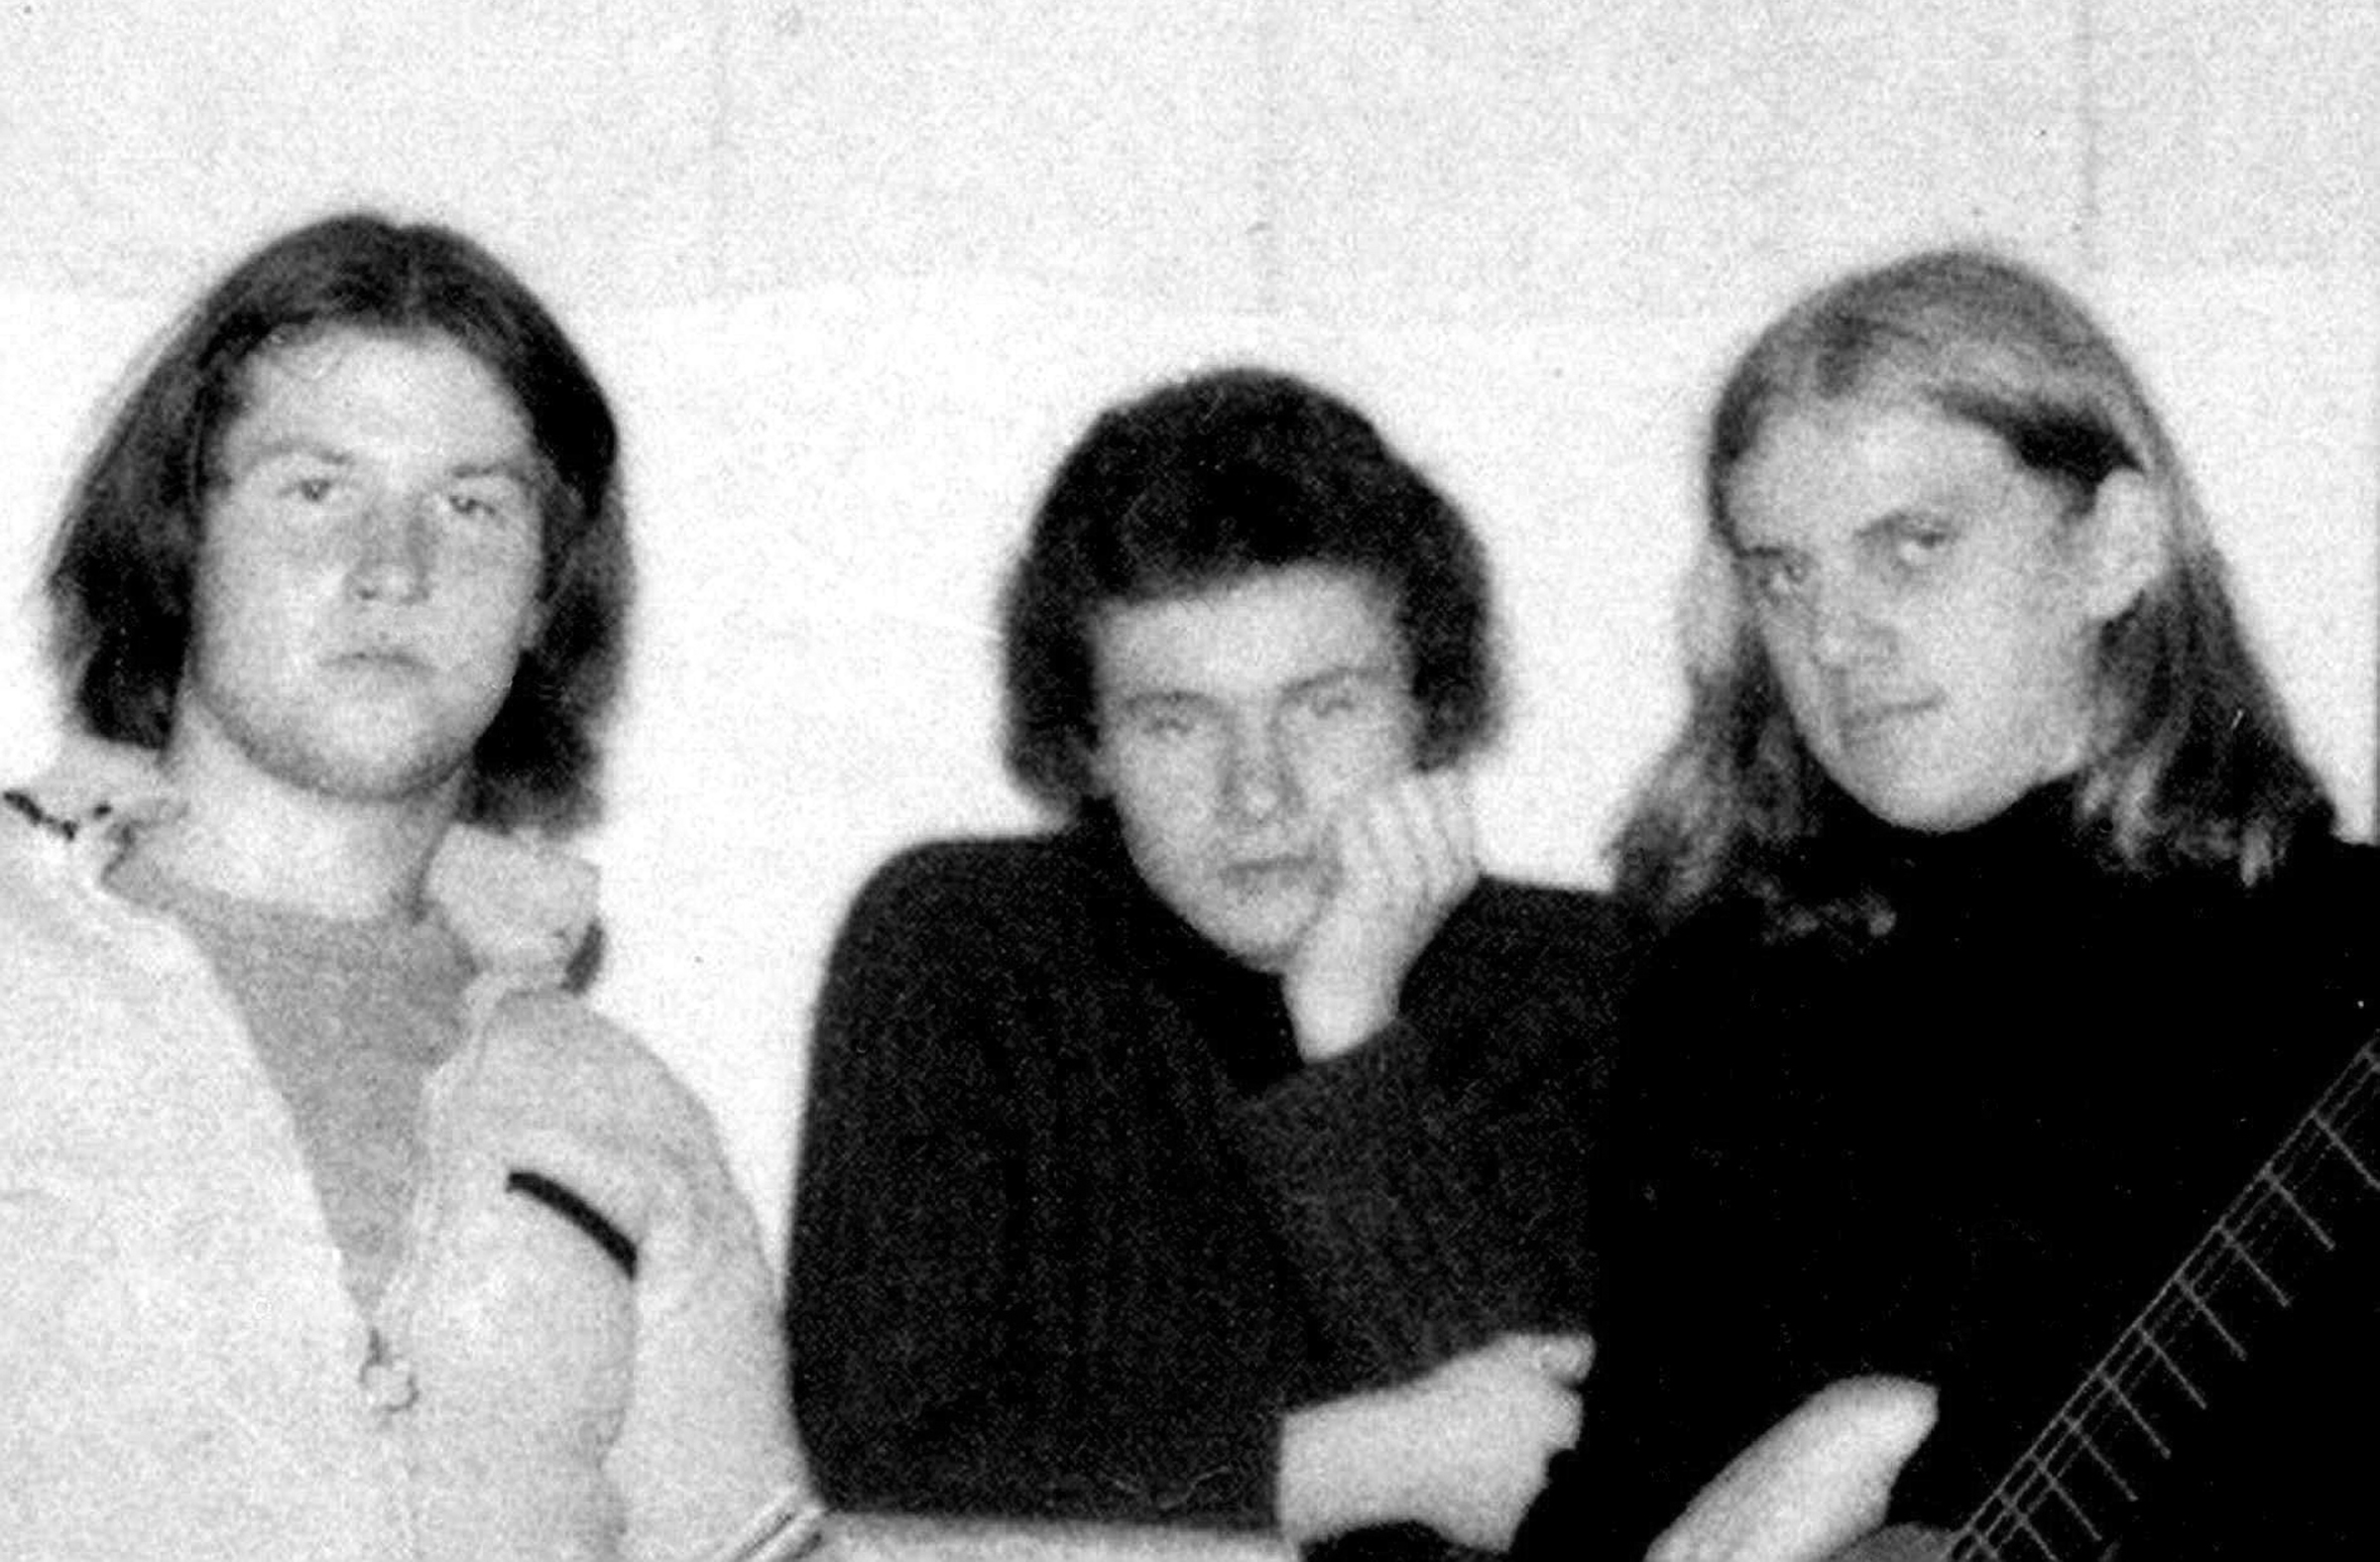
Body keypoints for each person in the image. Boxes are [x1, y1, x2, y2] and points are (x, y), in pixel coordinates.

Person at [1523, 249, 2376, 1562]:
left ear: (2115, 545)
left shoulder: (2327, 959)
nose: (1835, 638)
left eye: (1913, 547)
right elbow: (1626, 1491)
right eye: (1784, 575)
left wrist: (1892, 1431)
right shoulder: (1730, 984)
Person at [0, 212, 823, 1561]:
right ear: (181, 540)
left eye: (472, 505)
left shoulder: (629, 1123)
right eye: (317, 490)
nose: (396, 568)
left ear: (543, 596)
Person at [787, 366, 1632, 1557]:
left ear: (1429, 705)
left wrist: (1349, 1033)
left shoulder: (1585, 980)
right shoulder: (962, 945)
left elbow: (1537, 1484)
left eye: (1324, 707)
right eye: (1177, 721)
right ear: (1090, 743)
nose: (1257, 792)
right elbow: (880, 1455)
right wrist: (1382, 1458)